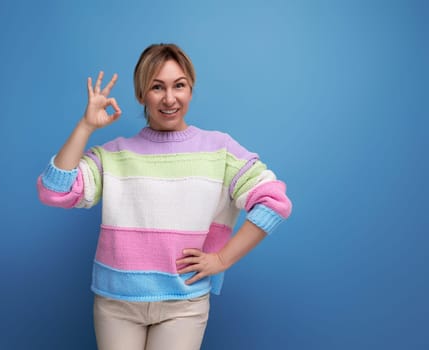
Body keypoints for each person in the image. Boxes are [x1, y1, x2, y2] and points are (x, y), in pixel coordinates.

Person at [37, 43, 292, 350]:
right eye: (157, 87)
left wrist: (222, 259)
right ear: (141, 94)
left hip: (184, 303)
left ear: (191, 89)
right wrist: (86, 126)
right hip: (116, 304)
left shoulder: (220, 150)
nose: (170, 98)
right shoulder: (115, 155)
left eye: (179, 86)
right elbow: (54, 190)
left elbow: (274, 202)